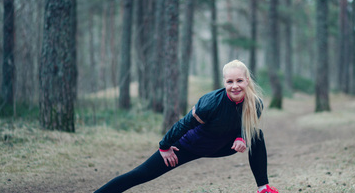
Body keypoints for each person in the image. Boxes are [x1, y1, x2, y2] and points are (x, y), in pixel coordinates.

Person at [94, 60, 279, 193]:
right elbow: (183, 124)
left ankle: (263, 188)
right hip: (187, 147)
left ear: (247, 80)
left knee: (257, 135)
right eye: (230, 81)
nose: (235, 86)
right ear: (224, 82)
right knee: (140, 174)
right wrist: (165, 146)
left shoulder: (256, 103)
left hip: (221, 146)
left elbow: (246, 125)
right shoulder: (210, 104)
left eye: (239, 80)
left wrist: (242, 138)